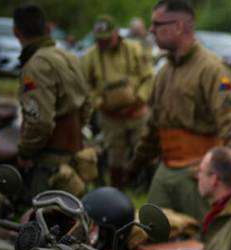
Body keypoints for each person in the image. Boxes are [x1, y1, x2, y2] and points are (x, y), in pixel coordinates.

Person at [125, 0, 231, 221]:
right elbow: (154, 128)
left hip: (199, 174)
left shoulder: (212, 69)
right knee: (151, 235)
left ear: (179, 26)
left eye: (157, 24)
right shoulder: (163, 73)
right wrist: (135, 165)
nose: (151, 30)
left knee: (209, 242)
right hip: (165, 171)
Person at [12, 3, 91, 196]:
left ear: (16, 32)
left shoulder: (36, 65)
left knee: (43, 220)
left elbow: (40, 122)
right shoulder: (69, 56)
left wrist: (25, 152)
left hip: (51, 163)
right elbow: (87, 104)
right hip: (76, 155)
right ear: (47, 28)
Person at [81, 15, 154, 188]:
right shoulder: (90, 56)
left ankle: (146, 188)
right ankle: (118, 192)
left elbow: (149, 77)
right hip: (110, 117)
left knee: (145, 151)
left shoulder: (134, 49)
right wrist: (100, 103)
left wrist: (140, 100)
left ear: (116, 33)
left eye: (107, 38)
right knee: (115, 156)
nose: (104, 43)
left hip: (138, 113)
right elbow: (85, 85)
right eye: (100, 40)